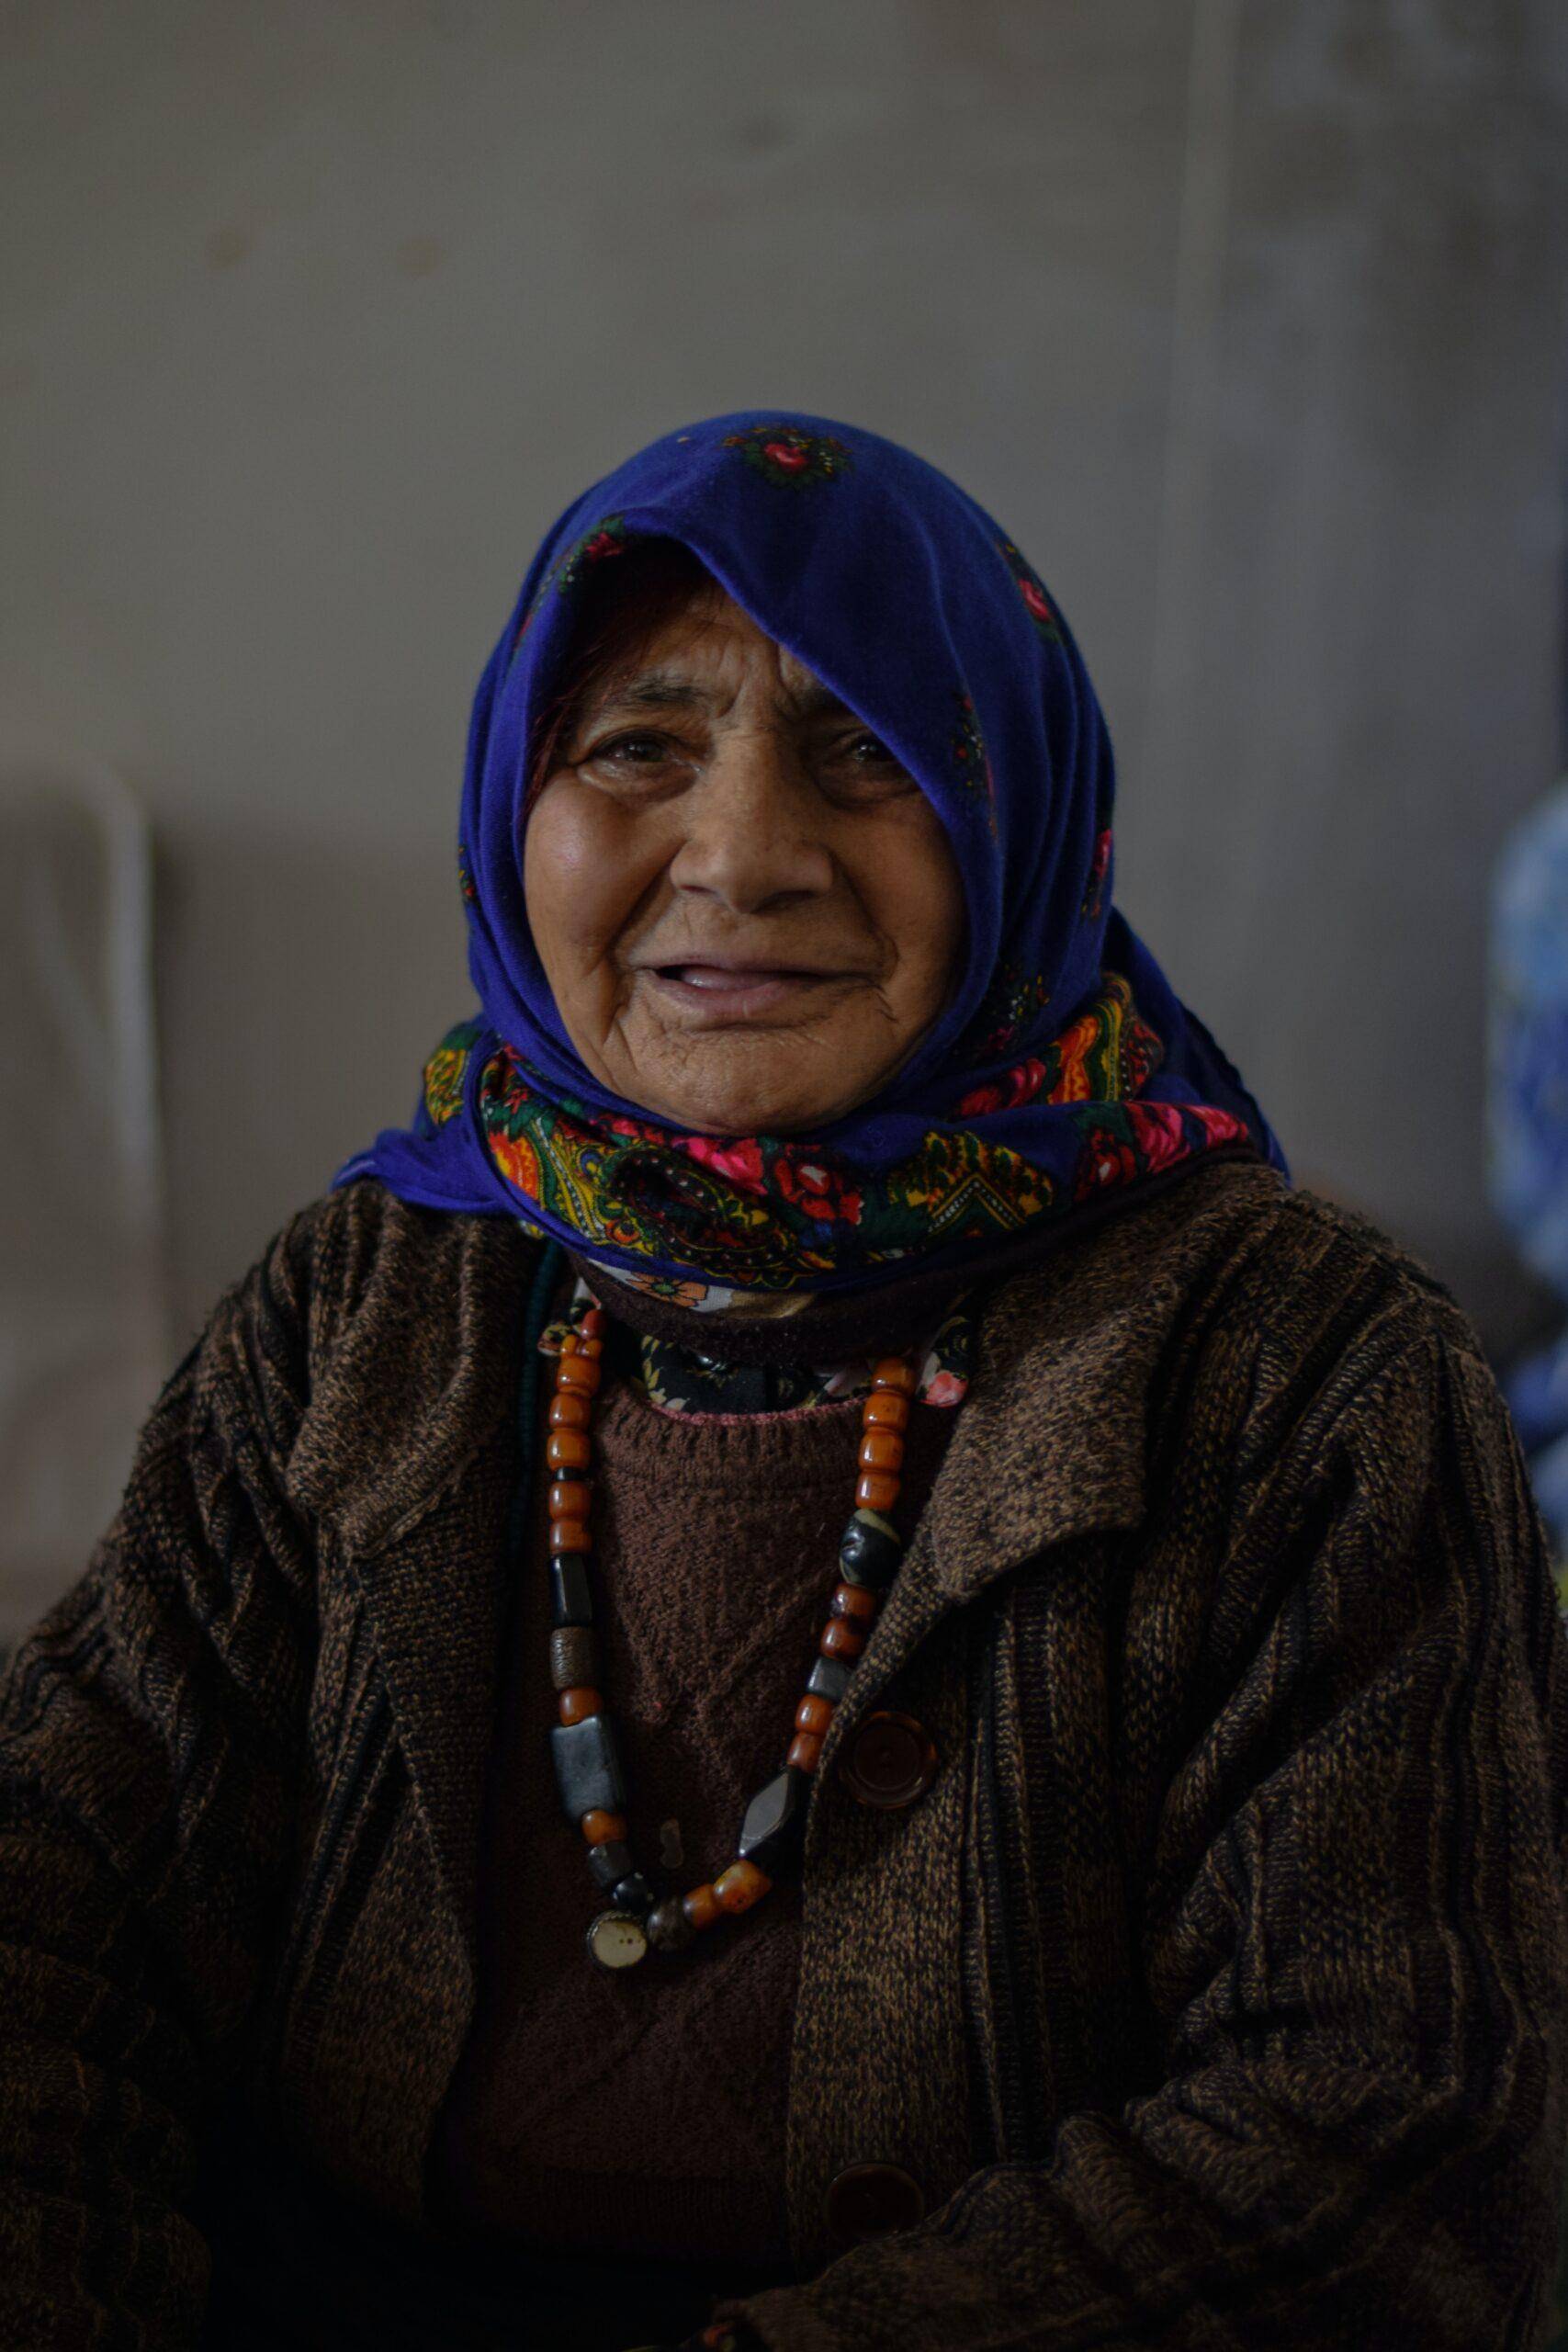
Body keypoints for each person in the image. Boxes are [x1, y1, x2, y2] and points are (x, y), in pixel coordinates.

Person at [2, 411, 1565, 2352]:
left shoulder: (1299, 1374)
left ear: (1013, 818)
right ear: (513, 809)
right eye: (635, 748)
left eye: (871, 750)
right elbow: (53, 1912)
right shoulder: (368, 1303)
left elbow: (1386, 2149)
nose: (742, 854)